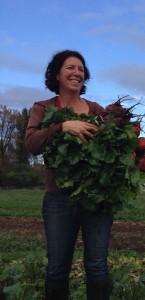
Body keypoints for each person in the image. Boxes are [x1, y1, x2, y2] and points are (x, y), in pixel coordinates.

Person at [25, 50, 113, 300]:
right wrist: (63, 126)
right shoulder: (43, 108)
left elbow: (114, 147)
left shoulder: (96, 110)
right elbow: (31, 143)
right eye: (70, 68)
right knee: (57, 268)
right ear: (56, 74)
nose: (77, 73)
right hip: (59, 199)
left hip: (96, 198)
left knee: (97, 267)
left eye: (81, 69)